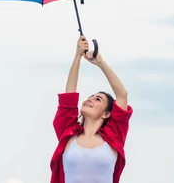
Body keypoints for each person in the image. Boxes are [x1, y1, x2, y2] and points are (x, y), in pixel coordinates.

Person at [49, 36, 133, 183]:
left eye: (97, 99)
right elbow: (69, 96)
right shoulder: (69, 133)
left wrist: (100, 63)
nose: (90, 99)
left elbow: (122, 95)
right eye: (90, 96)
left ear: (107, 113)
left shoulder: (114, 135)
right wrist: (77, 56)